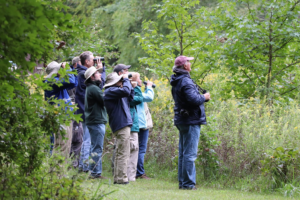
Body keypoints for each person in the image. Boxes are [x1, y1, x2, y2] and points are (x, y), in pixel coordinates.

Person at [170, 55, 211, 190]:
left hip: (182, 119)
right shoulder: (185, 81)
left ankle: (183, 183)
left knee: (183, 153)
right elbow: (193, 99)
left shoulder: (177, 80)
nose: (190, 63)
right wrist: (204, 97)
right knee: (190, 154)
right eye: (188, 61)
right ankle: (188, 184)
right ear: (185, 66)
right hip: (190, 120)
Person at [76, 51, 105, 172]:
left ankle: (85, 166)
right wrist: (101, 72)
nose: (95, 62)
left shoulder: (83, 75)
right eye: (93, 60)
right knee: (89, 142)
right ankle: (88, 168)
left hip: (87, 113)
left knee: (88, 142)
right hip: (90, 115)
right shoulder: (84, 75)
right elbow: (102, 94)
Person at [104, 71, 134, 184]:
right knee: (123, 152)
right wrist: (126, 80)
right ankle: (121, 178)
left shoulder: (116, 92)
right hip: (121, 125)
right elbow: (125, 91)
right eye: (120, 80)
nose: (122, 81)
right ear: (114, 82)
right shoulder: (110, 91)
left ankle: (118, 177)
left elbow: (129, 96)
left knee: (120, 152)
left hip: (122, 124)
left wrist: (131, 86)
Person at [44, 61, 78, 157]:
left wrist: (72, 69)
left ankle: (60, 170)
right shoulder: (51, 82)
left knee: (66, 147)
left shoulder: (58, 81)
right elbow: (70, 81)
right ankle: (56, 171)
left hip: (65, 117)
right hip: (60, 119)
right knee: (61, 146)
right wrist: (67, 69)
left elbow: (74, 83)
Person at [84, 66, 107, 178]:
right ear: (92, 77)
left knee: (94, 147)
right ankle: (95, 173)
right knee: (97, 148)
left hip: (94, 121)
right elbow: (104, 100)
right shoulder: (93, 88)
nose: (100, 75)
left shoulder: (92, 87)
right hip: (96, 121)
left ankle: (93, 171)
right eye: (98, 73)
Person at [135, 80, 154, 179]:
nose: (141, 80)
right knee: (141, 149)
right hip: (141, 124)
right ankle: (139, 172)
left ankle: (136, 171)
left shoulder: (130, 91)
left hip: (137, 124)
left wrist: (147, 89)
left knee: (136, 149)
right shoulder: (136, 93)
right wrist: (150, 87)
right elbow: (149, 97)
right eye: (139, 78)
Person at [127, 73, 143, 181]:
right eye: (139, 79)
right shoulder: (129, 91)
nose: (141, 80)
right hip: (131, 123)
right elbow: (138, 99)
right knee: (133, 149)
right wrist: (136, 87)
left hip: (130, 122)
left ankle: (128, 175)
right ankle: (130, 176)